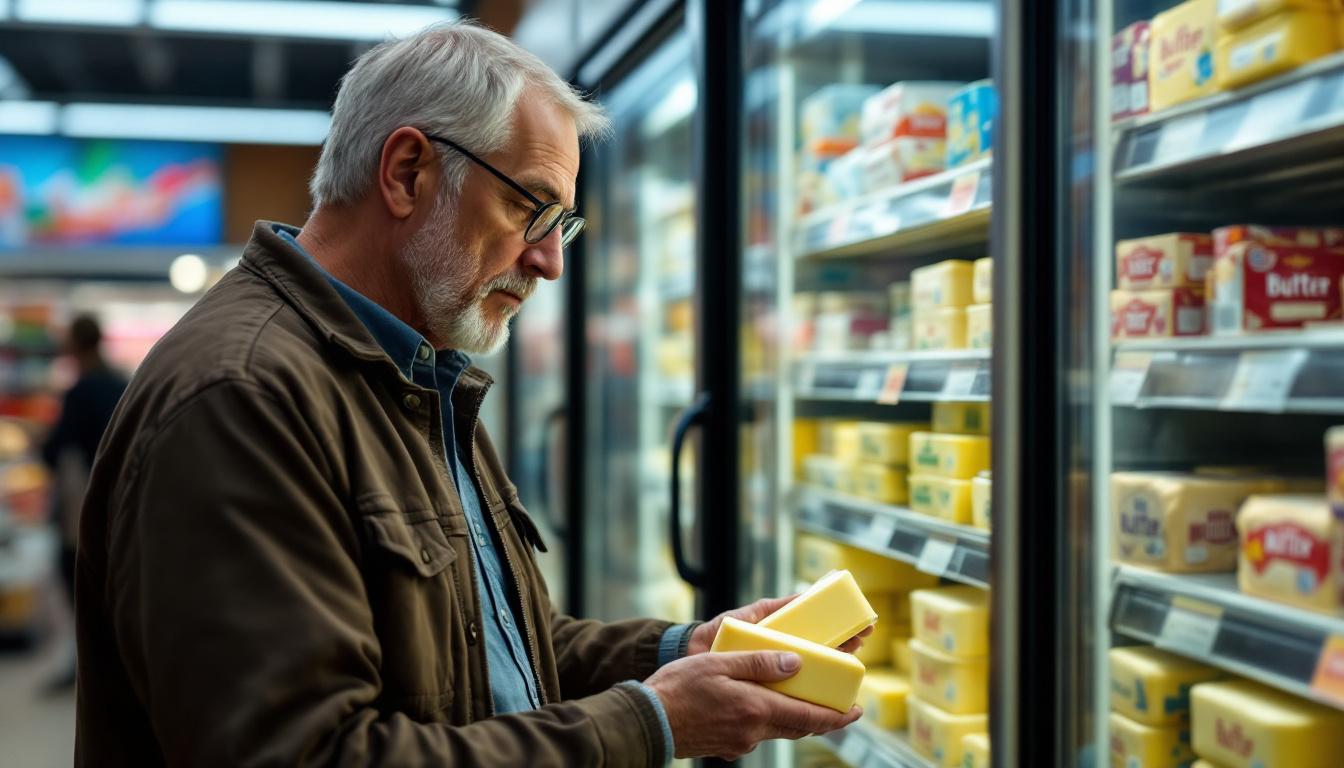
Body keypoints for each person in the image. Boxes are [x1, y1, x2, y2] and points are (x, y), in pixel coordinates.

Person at [74, 21, 868, 766]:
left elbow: (484, 648)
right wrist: (651, 722)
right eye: (531, 207)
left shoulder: (411, 372)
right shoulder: (241, 397)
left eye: (563, 222)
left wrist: (681, 654)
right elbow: (309, 751)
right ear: (407, 172)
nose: (551, 260)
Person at [39, 313, 127, 691]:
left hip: (85, 499)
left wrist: (39, 444)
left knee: (76, 573)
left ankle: (91, 660)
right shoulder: (119, 381)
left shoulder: (80, 390)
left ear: (75, 344)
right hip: (122, 495)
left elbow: (56, 449)